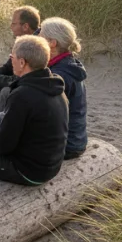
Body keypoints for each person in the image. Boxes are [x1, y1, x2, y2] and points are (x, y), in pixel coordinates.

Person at [0, 35, 68, 190]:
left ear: (22, 62)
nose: (11, 60)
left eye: (13, 57)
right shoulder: (55, 85)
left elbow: (1, 146)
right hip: (50, 166)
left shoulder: (22, 95)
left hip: (28, 171)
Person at [0, 5, 41, 115]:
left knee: (3, 89)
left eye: (14, 24)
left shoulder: (35, 46)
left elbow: (18, 80)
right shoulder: (25, 40)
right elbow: (8, 67)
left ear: (25, 26)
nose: (11, 27)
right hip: (20, 83)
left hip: (29, 87)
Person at [40, 17, 87, 160]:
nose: (36, 40)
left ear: (52, 43)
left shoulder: (60, 75)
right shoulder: (68, 65)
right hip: (75, 140)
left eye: (41, 37)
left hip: (67, 146)